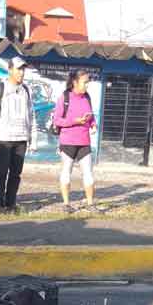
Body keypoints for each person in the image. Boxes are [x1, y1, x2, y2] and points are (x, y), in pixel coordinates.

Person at [0, 56, 37, 211]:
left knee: (16, 174)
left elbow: (32, 115)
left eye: (23, 69)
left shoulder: (27, 90)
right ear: (10, 70)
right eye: (18, 69)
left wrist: (32, 139)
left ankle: (11, 203)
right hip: (4, 139)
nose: (21, 73)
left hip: (21, 139)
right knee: (1, 172)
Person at [53, 69, 99, 213]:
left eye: (88, 82)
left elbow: (90, 116)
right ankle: (66, 204)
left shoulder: (87, 97)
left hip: (84, 141)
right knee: (66, 172)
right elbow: (57, 120)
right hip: (67, 142)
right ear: (75, 82)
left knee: (88, 173)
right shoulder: (64, 97)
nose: (87, 85)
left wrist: (93, 124)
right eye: (84, 82)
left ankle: (90, 204)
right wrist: (75, 121)